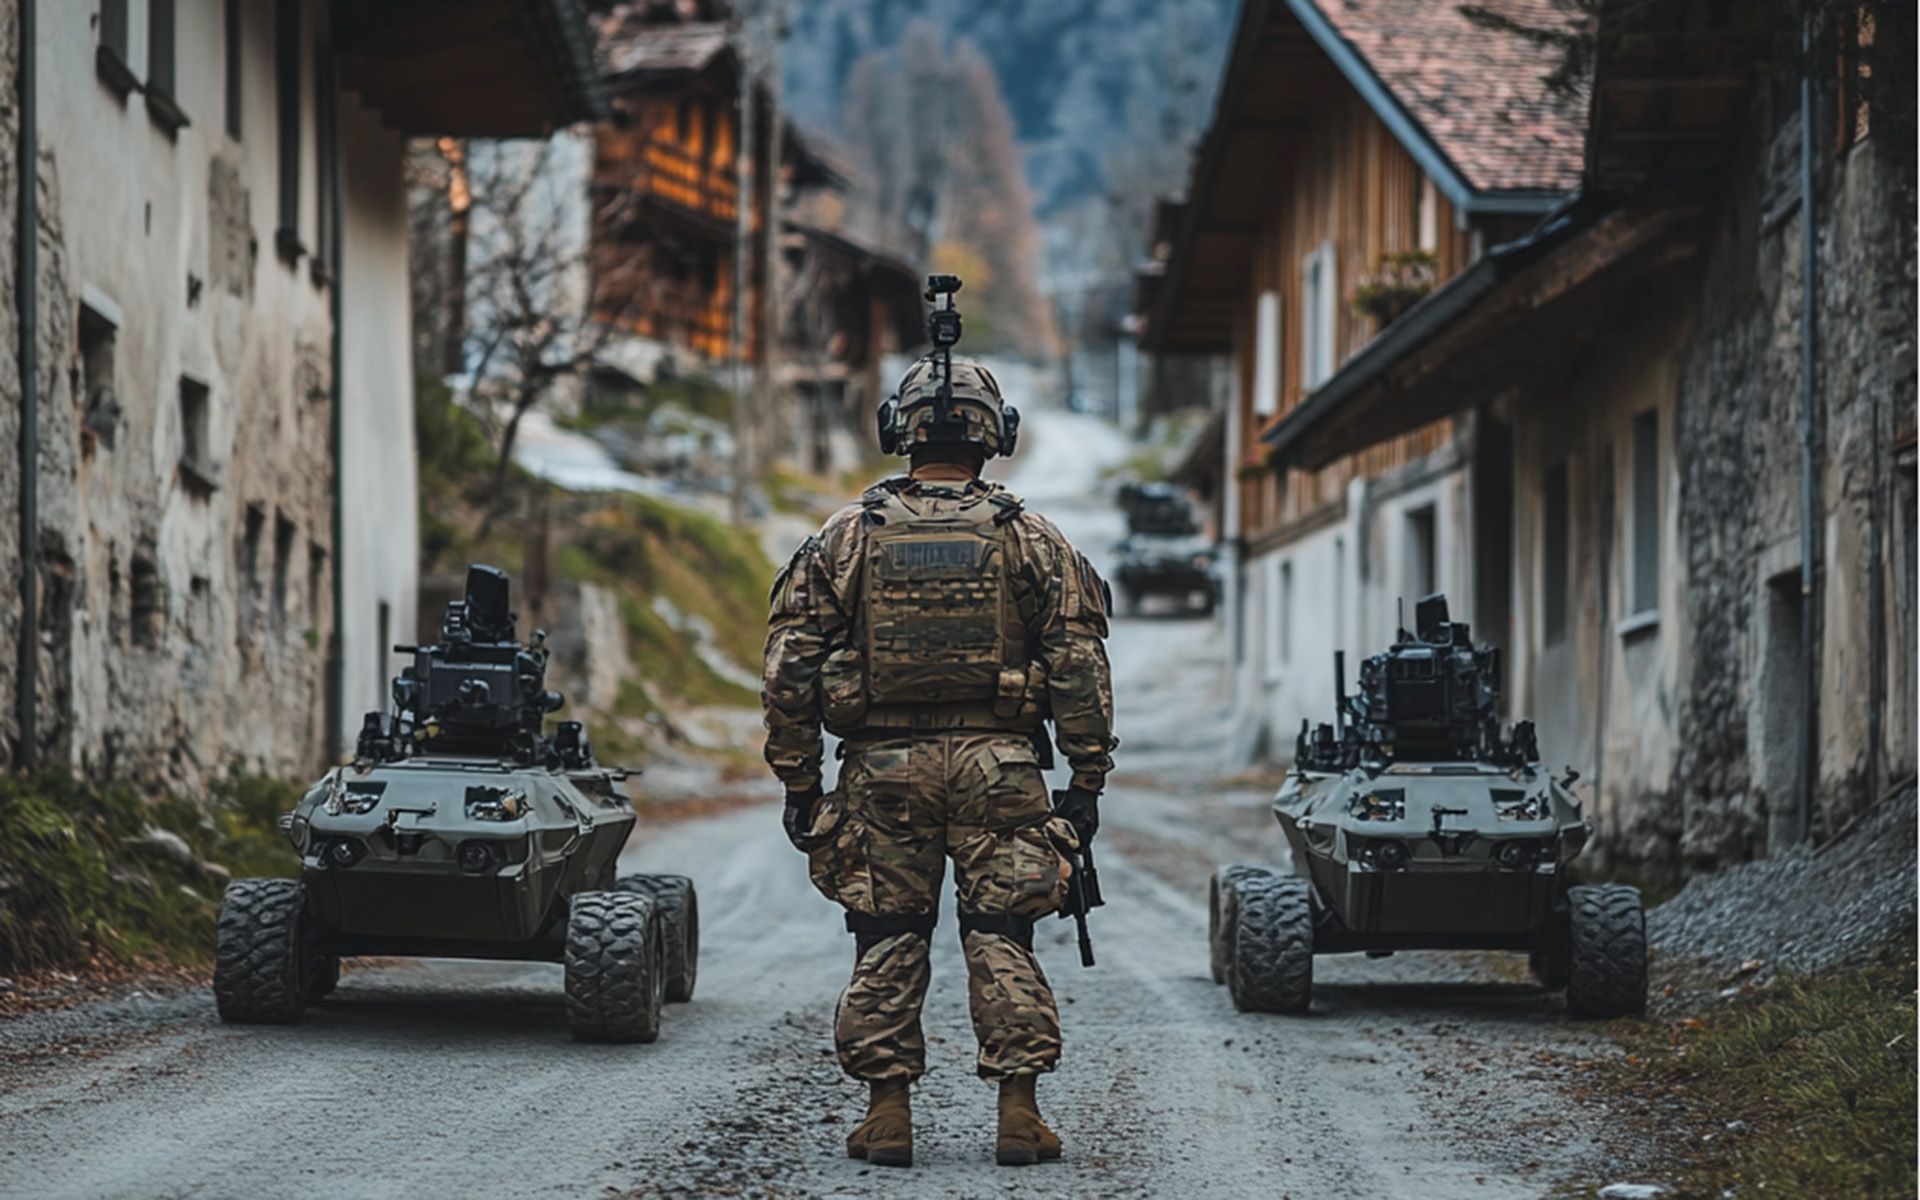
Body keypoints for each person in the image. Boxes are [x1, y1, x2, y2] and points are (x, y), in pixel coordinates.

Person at [761, 296, 1116, 1169]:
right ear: (998, 434)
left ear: (899, 431)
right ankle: (1019, 1115)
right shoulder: (1032, 537)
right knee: (1001, 932)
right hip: (1001, 768)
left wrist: (800, 783)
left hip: (882, 769)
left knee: (888, 932)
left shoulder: (846, 537)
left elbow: (789, 668)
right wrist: (1086, 780)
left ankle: (887, 1115)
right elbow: (1078, 663)